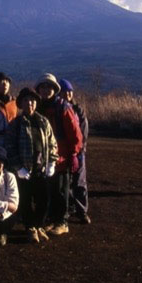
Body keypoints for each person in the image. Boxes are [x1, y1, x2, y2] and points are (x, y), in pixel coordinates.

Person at [6, 88, 58, 243]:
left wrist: (52, 162)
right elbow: (10, 147)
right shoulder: (16, 124)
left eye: (33, 101)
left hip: (41, 168)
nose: (30, 103)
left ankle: (38, 226)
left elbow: (52, 143)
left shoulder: (43, 121)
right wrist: (18, 167)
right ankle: (30, 228)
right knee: (26, 201)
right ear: (21, 103)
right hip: (25, 170)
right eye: (26, 100)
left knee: (44, 200)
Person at [35, 73, 83, 236]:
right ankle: (53, 220)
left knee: (62, 190)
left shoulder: (63, 107)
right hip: (43, 158)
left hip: (61, 157)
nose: (46, 90)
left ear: (55, 89)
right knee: (50, 190)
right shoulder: (39, 106)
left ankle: (62, 222)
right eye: (43, 87)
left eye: (49, 87)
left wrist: (74, 154)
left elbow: (75, 134)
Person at [58, 79, 91, 224]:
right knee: (66, 183)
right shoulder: (58, 109)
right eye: (65, 91)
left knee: (79, 182)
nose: (68, 94)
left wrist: (80, 151)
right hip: (64, 153)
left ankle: (82, 211)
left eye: (70, 91)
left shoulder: (78, 110)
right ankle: (70, 207)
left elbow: (83, 133)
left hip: (78, 152)